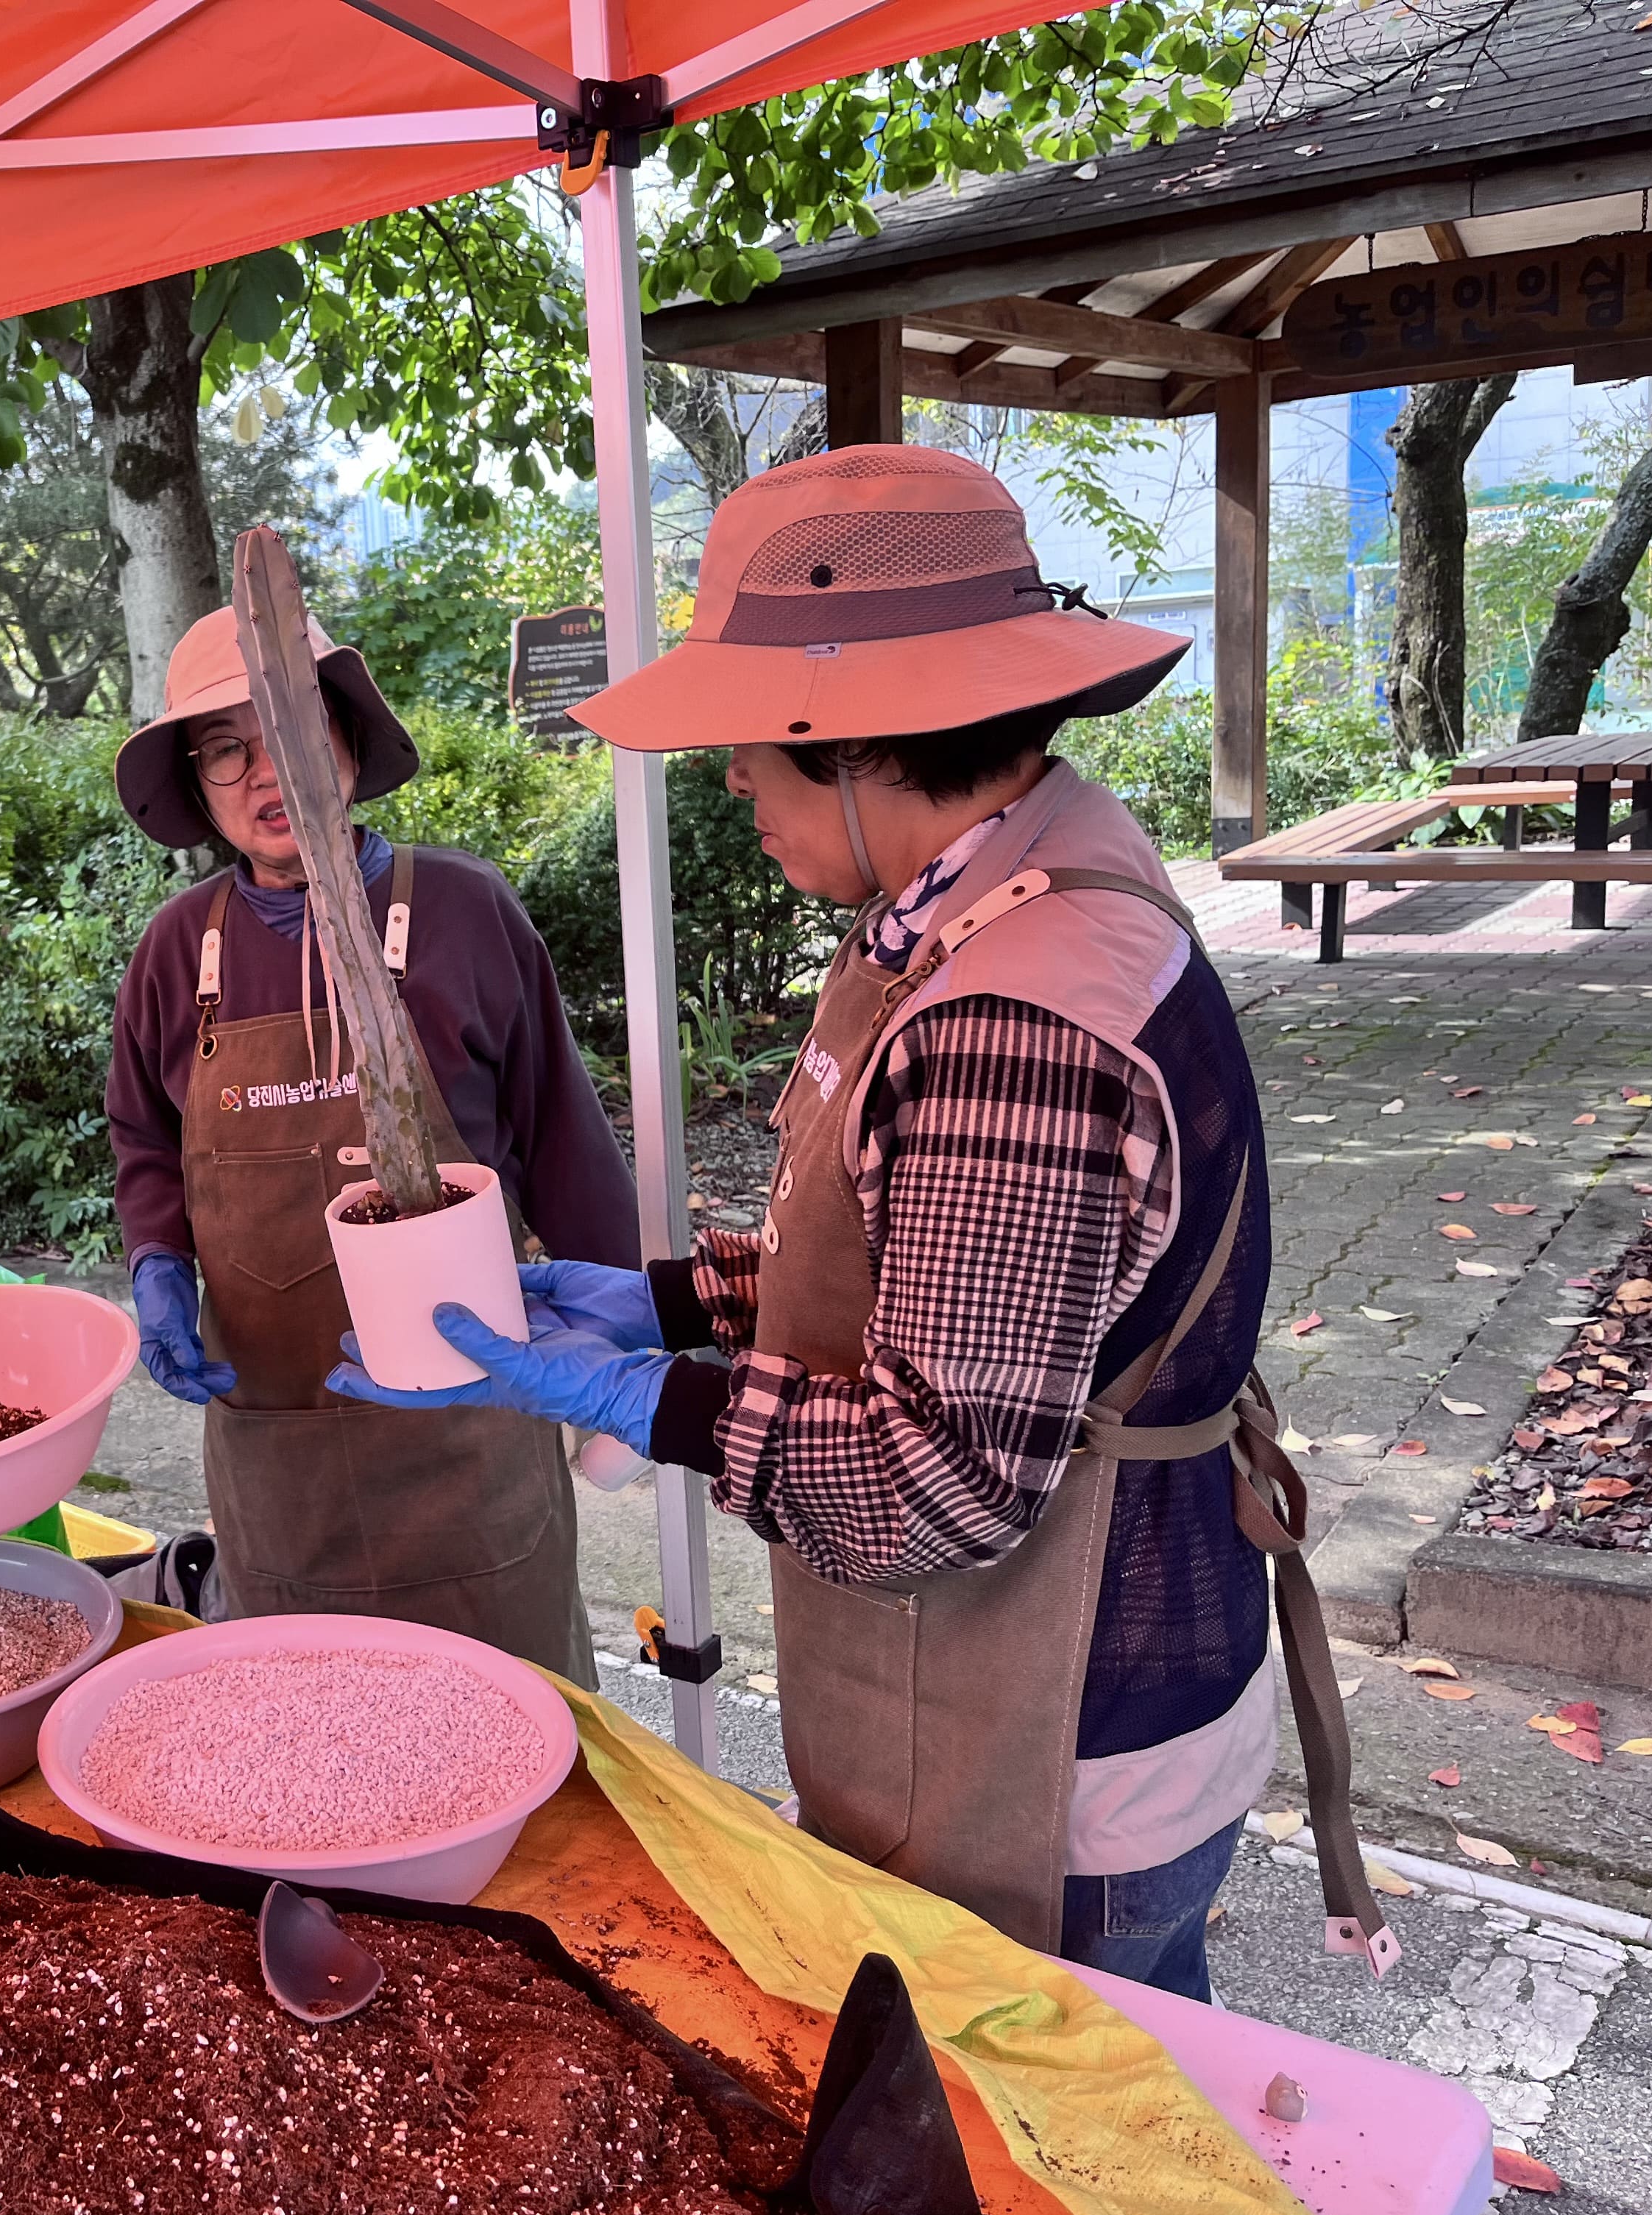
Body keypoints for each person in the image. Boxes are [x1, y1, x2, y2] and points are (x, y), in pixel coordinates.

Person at [335, 447, 1389, 1999]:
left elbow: (940, 1476)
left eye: (753, 741)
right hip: (1087, 1687)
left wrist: (652, 1399)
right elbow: (949, 1267)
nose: (735, 779)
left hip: (1052, 1748)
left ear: (854, 734)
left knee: (1055, 2143)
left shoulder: (1017, 1015)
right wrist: (681, 1297)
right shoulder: (1017, 888)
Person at [106, 606, 638, 1684]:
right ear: (198, 786)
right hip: (276, 1454)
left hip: (471, 1443)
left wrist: (619, 1368)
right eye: (226, 751)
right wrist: (159, 1266)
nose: (268, 775)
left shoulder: (460, 910)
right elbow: (146, 1144)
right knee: (312, 1738)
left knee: (516, 1738)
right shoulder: (177, 954)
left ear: (345, 739)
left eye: (294, 730)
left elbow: (563, 1140)